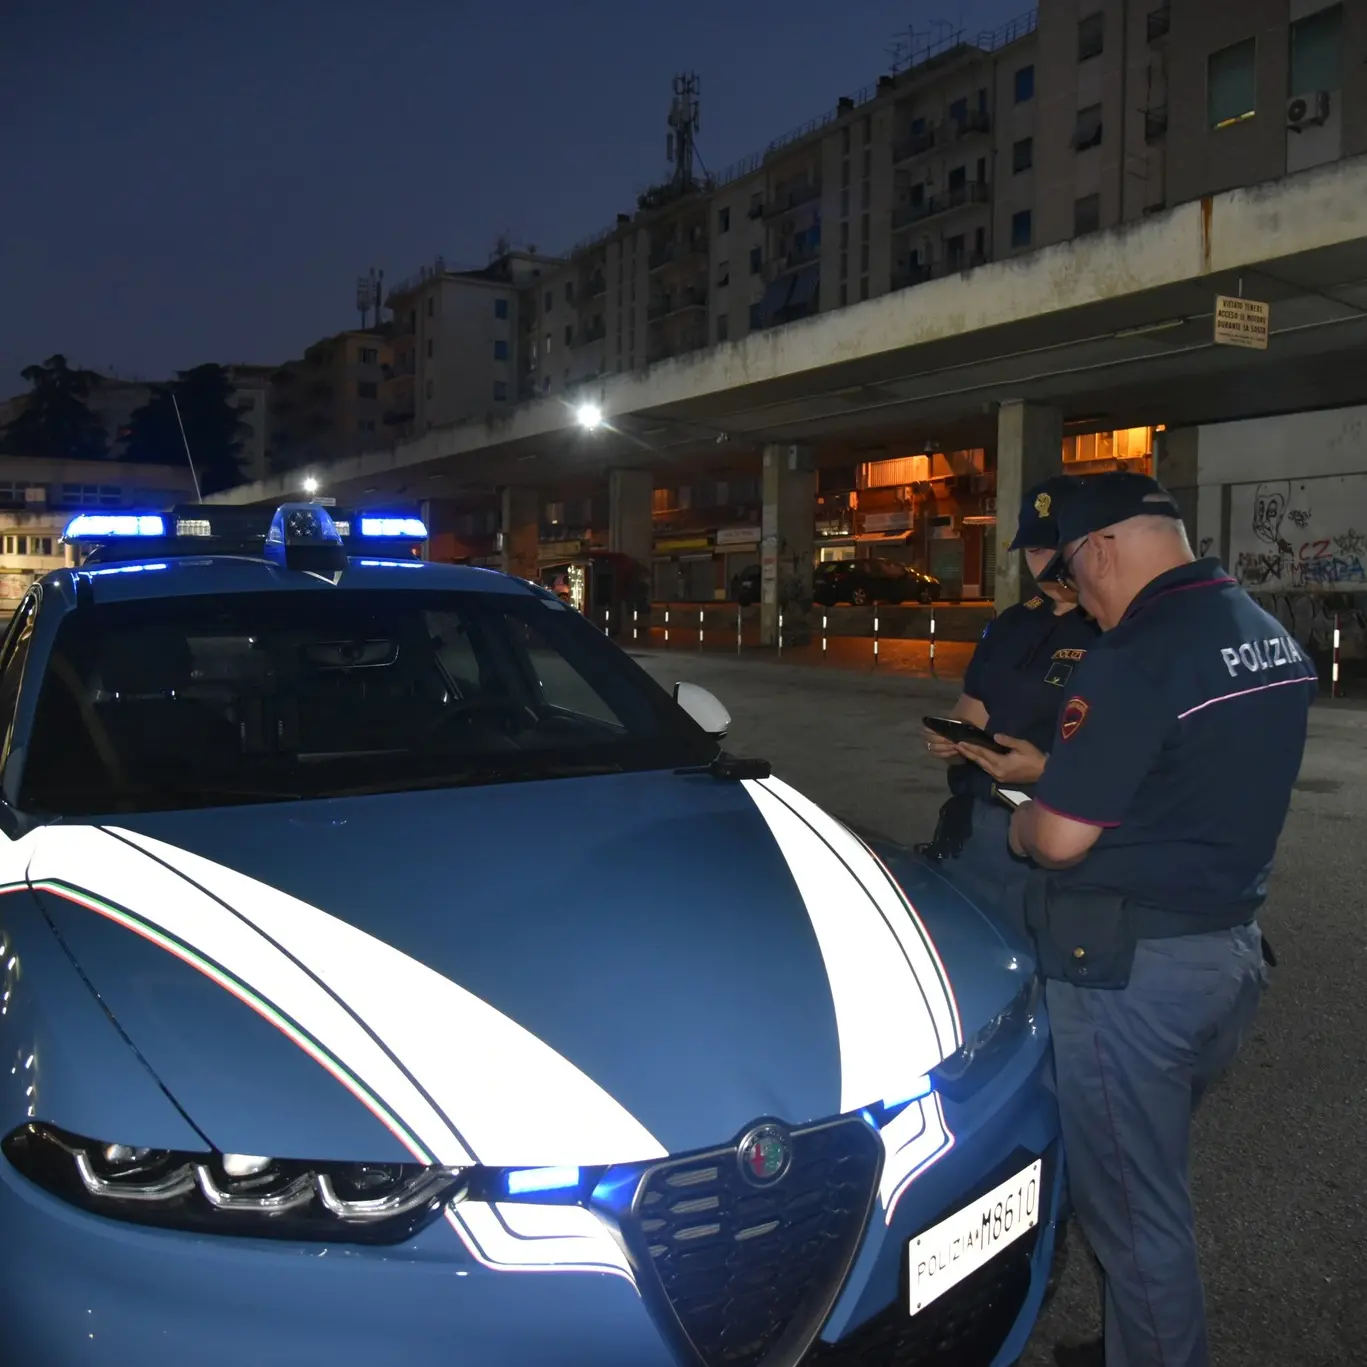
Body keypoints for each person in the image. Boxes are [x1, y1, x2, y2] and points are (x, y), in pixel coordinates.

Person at [1007, 472, 1315, 1367]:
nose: (1080, 600)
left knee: (1136, 1218)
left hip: (1131, 980)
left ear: (1100, 547)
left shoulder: (1137, 654)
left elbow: (1061, 838)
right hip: (1227, 956)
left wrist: (1025, 814)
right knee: (1143, 1177)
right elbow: (1186, 777)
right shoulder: (1263, 635)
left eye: (1073, 571)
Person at [920, 473, 1098, 932]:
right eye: (1036, 552)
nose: (1048, 566)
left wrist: (1047, 772)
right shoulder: (1012, 624)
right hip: (975, 827)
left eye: (1057, 549)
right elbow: (972, 709)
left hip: (1054, 830)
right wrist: (952, 737)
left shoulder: (1111, 628)